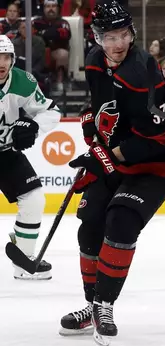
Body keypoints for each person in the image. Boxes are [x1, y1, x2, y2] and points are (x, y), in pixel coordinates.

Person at [58, 1, 165, 346]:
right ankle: (91, 305)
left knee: (122, 220)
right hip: (117, 158)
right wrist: (91, 132)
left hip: (157, 162)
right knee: (90, 222)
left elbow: (156, 137)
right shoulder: (96, 60)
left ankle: (104, 305)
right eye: (108, 36)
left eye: (123, 35)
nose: (117, 44)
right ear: (97, 36)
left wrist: (104, 158)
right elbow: (101, 108)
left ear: (133, 33)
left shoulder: (141, 71)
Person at [0, 35, 60, 280]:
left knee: (33, 198)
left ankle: (24, 262)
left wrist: (33, 126)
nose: (1, 63)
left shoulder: (22, 82)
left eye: (5, 57)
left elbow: (50, 111)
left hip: (6, 154)